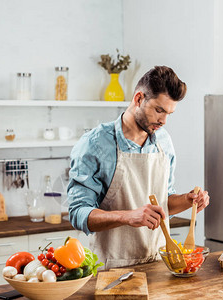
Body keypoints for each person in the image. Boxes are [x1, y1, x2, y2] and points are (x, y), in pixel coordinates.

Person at [67, 66, 210, 269]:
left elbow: (163, 203)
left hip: (160, 265)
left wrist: (187, 201)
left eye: (169, 113)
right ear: (138, 99)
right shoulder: (95, 143)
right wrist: (129, 216)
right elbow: (78, 213)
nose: (163, 121)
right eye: (159, 110)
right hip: (112, 269)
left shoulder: (164, 141)